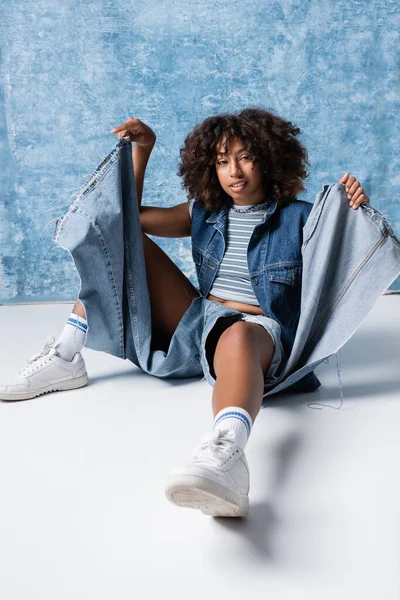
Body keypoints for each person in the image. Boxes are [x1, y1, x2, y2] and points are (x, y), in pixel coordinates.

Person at [0, 108, 371, 517]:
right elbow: (123, 223)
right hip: (201, 323)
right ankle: (67, 355)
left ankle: (226, 454)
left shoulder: (300, 217)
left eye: (246, 157)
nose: (234, 171)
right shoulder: (205, 211)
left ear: (269, 158)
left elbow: (347, 253)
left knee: (240, 334)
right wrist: (144, 149)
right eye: (222, 160)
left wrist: (354, 207)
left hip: (258, 333)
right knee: (116, 257)